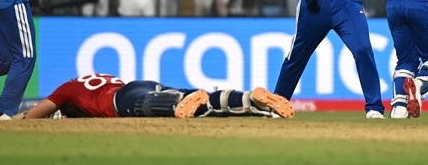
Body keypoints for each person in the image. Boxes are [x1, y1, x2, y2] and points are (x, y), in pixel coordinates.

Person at [20, 73, 294, 120]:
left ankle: (175, 105)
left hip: (121, 101)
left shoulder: (65, 91)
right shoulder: (93, 79)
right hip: (139, 84)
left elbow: (34, 115)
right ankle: (250, 99)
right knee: (203, 101)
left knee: (146, 107)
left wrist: (20, 118)